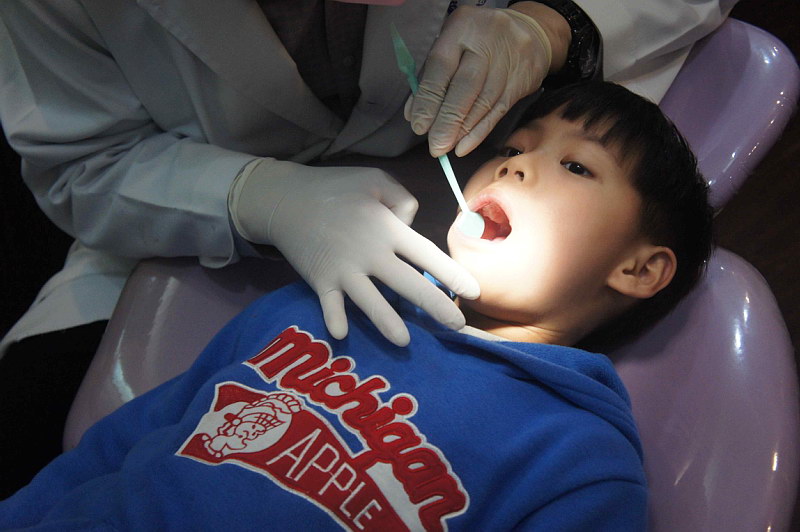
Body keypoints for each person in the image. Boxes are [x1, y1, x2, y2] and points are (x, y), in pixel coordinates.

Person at [0, 0, 733, 497]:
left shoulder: (573, 454)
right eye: (512, 148)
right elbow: (122, 449)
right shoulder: (295, 318)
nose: (513, 166)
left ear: (640, 267)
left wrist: (549, 24)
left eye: (574, 166)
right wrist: (257, 196)